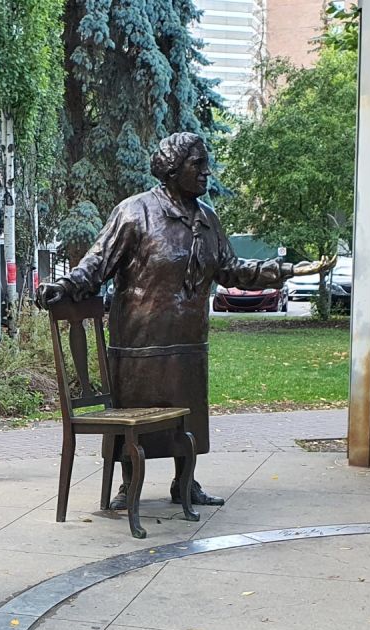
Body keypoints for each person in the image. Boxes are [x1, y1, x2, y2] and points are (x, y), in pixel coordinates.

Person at [37, 132, 328, 508]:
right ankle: (128, 485)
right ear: (173, 170)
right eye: (198, 164)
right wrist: (65, 285)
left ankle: (185, 483)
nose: (207, 172)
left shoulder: (207, 218)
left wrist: (286, 270)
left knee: (188, 417)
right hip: (140, 342)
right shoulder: (135, 212)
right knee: (135, 415)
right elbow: (97, 264)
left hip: (188, 340)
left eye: (207, 163)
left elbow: (230, 269)